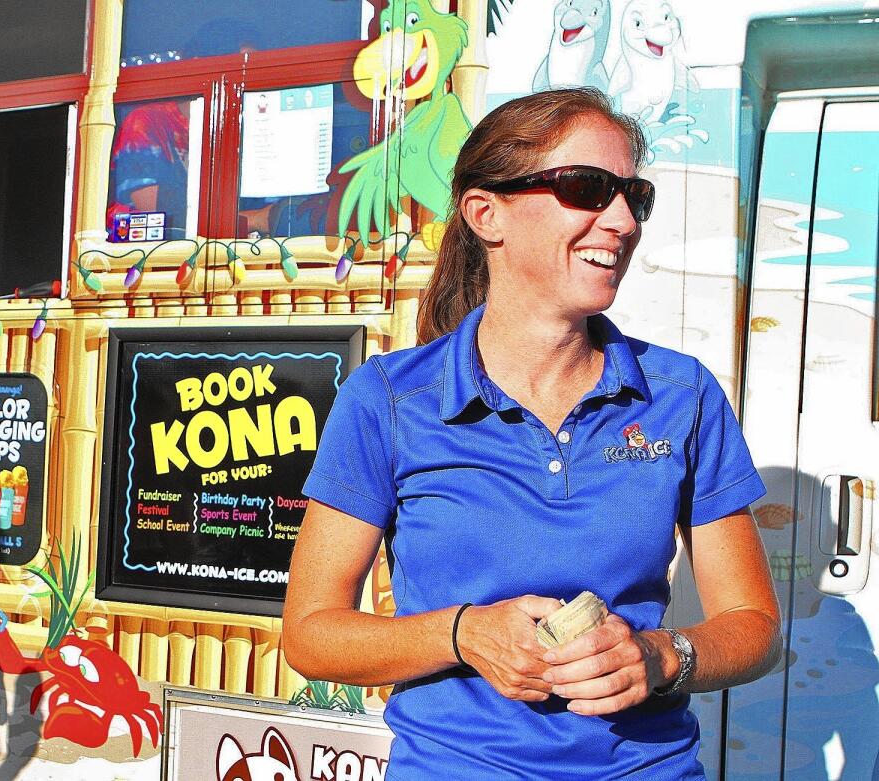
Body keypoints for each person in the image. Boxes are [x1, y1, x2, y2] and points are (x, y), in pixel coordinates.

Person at [281, 87, 781, 778]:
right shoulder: (390, 400)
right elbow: (310, 634)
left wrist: (661, 655)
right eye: (587, 188)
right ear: (487, 214)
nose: (620, 221)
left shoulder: (682, 395)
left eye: (633, 196)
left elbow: (752, 622)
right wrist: (463, 633)